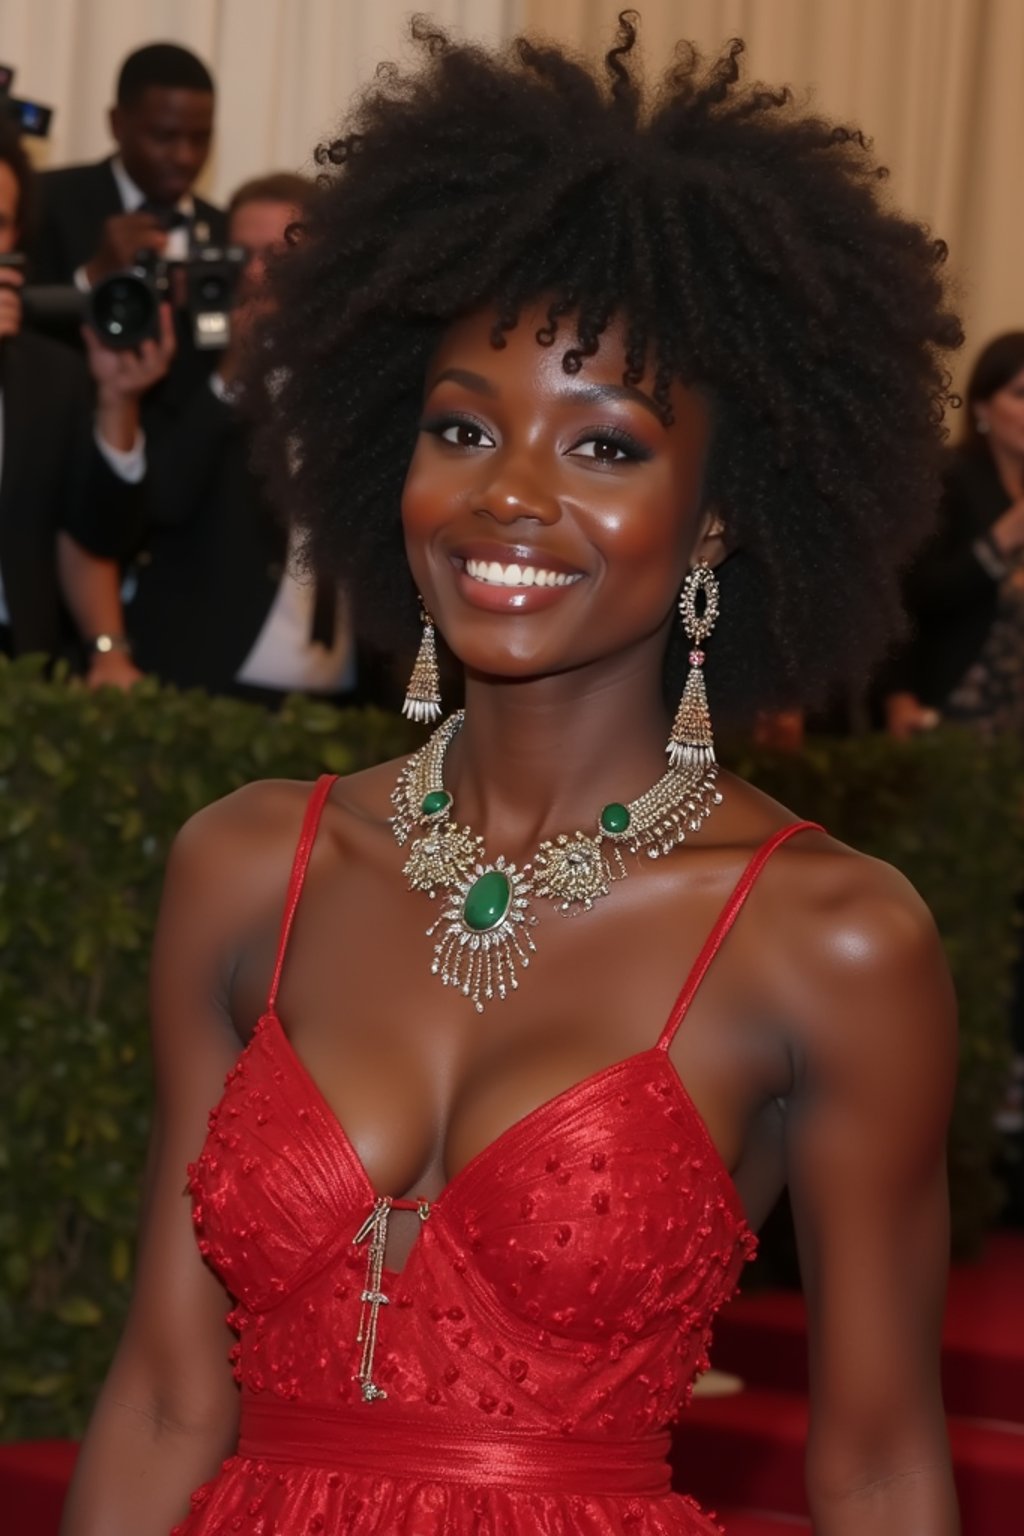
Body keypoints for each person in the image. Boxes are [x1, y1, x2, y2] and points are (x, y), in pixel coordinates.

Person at [61, 20, 962, 1536]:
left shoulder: (830, 938)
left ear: (722, 520)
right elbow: (163, 1390)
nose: (511, 496)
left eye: (605, 447)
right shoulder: (247, 867)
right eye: (464, 428)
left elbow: (876, 1464)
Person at [124, 174, 358, 703]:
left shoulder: (358, 373)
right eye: (244, 253)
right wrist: (232, 371)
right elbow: (156, 501)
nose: (258, 272)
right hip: (211, 689)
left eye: (280, 253)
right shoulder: (175, 360)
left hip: (346, 697)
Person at [0, 115, 171, 683]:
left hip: (23, 676)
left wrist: (117, 401)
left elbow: (100, 536)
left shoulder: (49, 373)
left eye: (0, 222)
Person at [26, 42, 225, 406]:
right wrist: (91, 279)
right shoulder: (44, 200)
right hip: (72, 441)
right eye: (164, 136)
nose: (185, 157)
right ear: (117, 124)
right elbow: (18, 337)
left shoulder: (223, 229)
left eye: (201, 138)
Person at [884, 331, 1024, 740]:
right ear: (982, 407)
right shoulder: (949, 480)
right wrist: (1000, 542)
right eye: (1020, 394)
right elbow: (913, 595)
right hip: (959, 703)